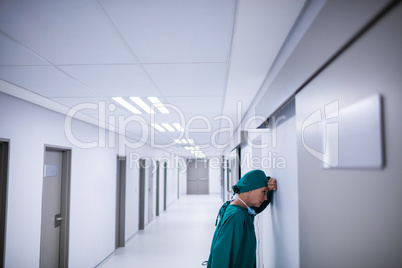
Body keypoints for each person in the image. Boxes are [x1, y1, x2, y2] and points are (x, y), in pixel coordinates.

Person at [205, 170, 277, 268]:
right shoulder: (236, 216)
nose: (265, 197)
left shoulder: (239, 208)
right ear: (250, 189)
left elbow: (259, 206)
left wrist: (268, 185)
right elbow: (222, 255)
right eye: (263, 192)